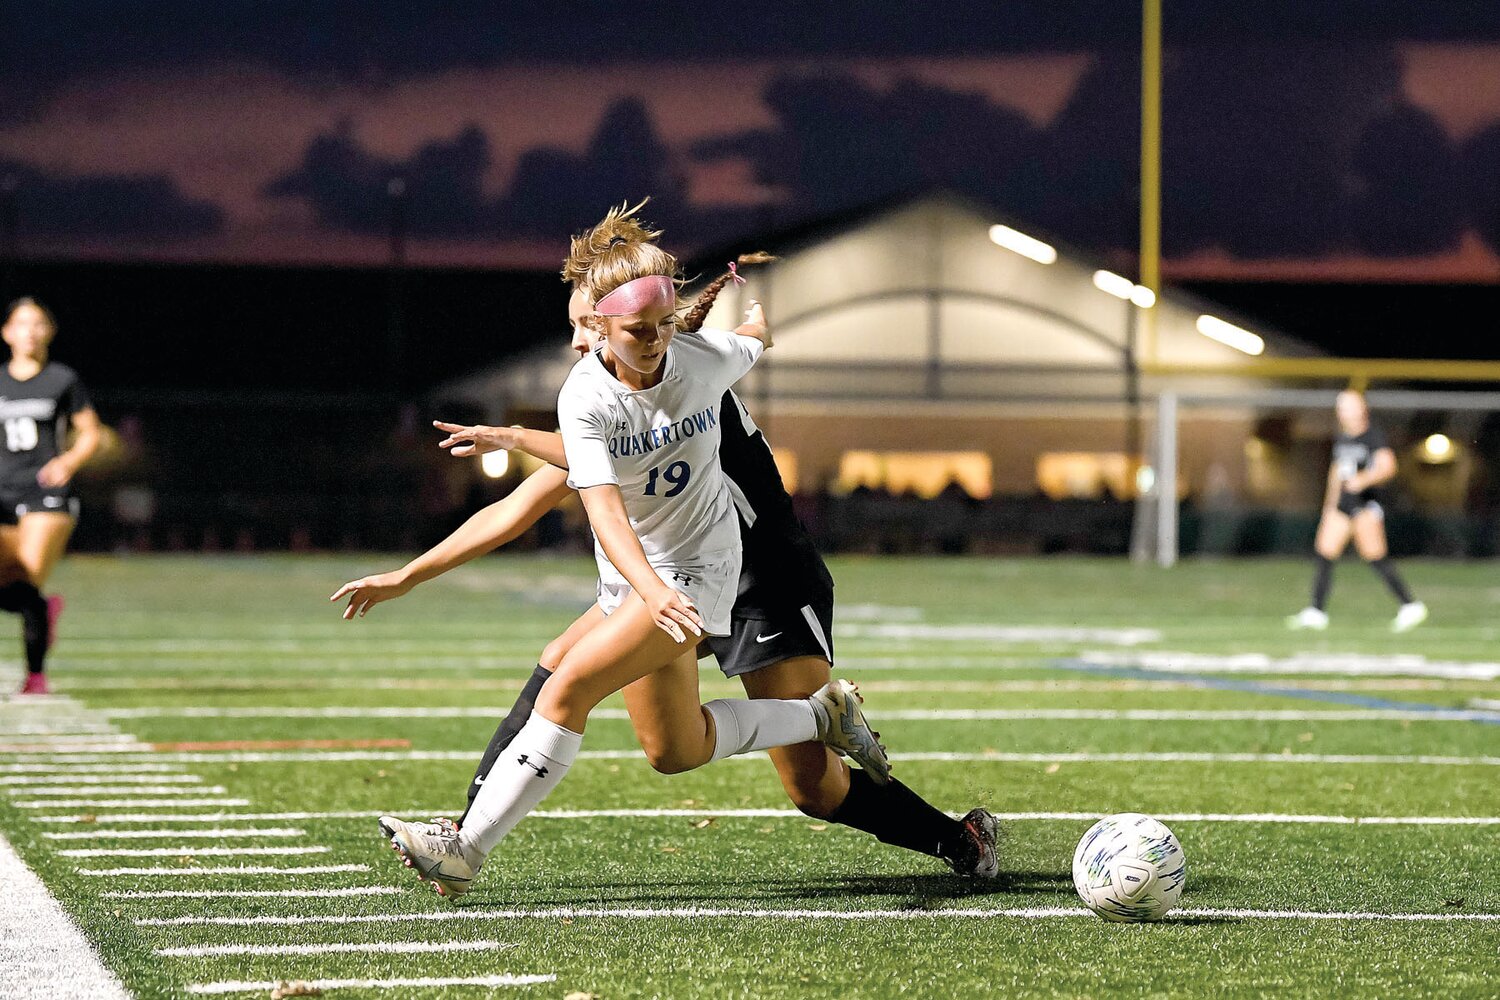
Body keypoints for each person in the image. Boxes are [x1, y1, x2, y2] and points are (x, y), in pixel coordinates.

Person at [335, 250, 999, 885]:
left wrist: (752, 326)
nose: (572, 344)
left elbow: (638, 442)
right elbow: (524, 502)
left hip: (760, 580)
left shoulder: (688, 384)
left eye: (580, 327)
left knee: (812, 787)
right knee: (666, 746)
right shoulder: (602, 395)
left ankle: (956, 839)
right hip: (662, 578)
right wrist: (409, 573)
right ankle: (465, 836)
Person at [0, 298, 102, 694]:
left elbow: (90, 432)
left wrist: (70, 462)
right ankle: (41, 611)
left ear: (49, 332)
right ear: (6, 332)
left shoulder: (62, 379)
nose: (29, 331)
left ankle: (36, 676)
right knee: (16, 592)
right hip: (3, 494)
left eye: (38, 323)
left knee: (26, 575)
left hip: (46, 493)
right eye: (21, 324)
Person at [1288, 389, 1427, 633]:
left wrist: (1363, 479)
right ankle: (1316, 611)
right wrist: (1329, 506)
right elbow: (1336, 472)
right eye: (1341, 407)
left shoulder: (1373, 436)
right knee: (1324, 554)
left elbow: (1388, 467)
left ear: (1362, 409)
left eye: (1349, 406)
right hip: (1343, 506)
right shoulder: (1343, 438)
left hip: (1365, 505)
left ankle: (1410, 605)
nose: (1344, 412)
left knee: (1374, 557)